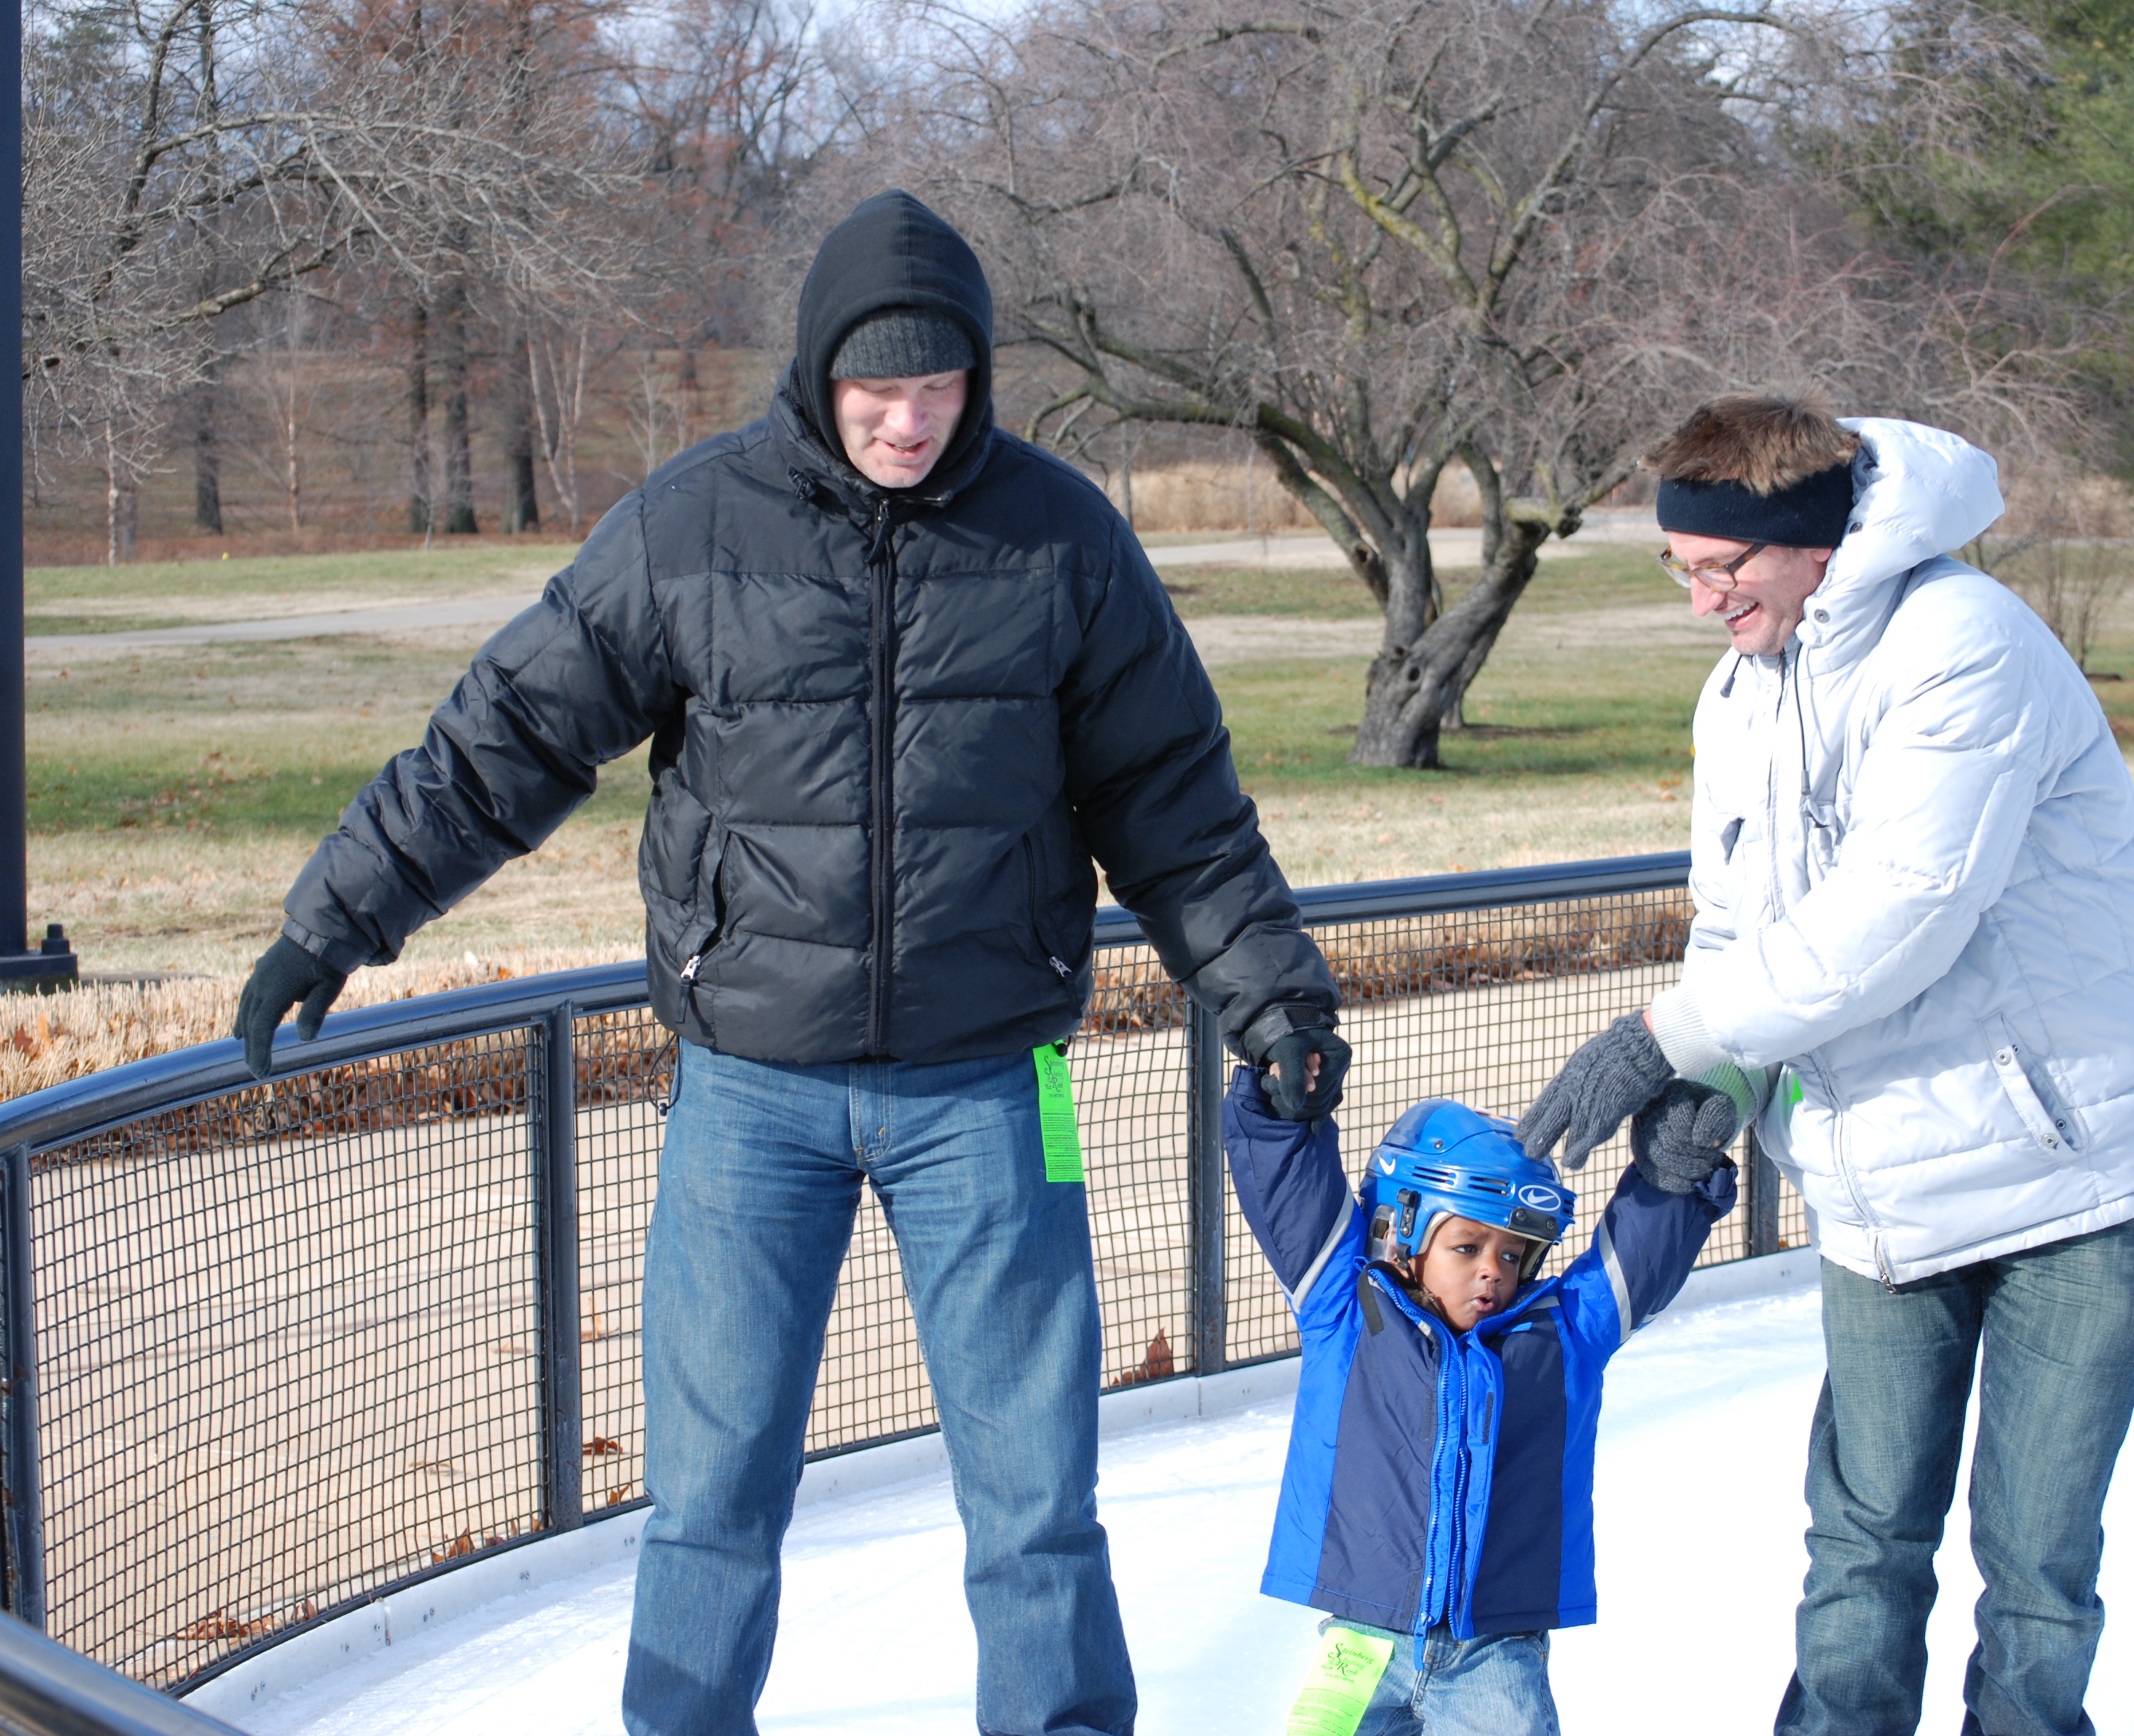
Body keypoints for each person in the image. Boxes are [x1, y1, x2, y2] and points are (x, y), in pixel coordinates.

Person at [229, 189, 1351, 1736]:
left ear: (977, 378)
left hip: (990, 1086)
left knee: (1036, 1497)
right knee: (710, 1496)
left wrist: (1270, 993)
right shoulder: (695, 528)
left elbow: (1174, 799)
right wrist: (334, 916)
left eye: (939, 385)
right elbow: (507, 737)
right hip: (749, 1094)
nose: (908, 420)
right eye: (878, 386)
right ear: (821, 372)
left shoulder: (1060, 537)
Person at [1516, 393, 2134, 1736]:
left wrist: (1660, 1039)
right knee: (1861, 1540)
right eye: (1679, 570)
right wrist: (1720, 1084)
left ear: (1815, 539)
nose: (1703, 600)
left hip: (2071, 1179)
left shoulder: (1962, 642)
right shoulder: (1740, 695)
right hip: (1882, 1180)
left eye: (1725, 566)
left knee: (2036, 1566)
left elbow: (1901, 915)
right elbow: (1738, 926)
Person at [1222, 1066, 1759, 1734]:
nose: (1491, 1271)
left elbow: (1635, 1261)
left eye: (1511, 1255)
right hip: (1361, 1642)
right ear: (1401, 1231)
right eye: (1467, 1246)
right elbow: (1291, 1194)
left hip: (1496, 1655)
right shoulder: (1347, 1311)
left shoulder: (1562, 1336)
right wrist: (1282, 1098)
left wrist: (1672, 1182)